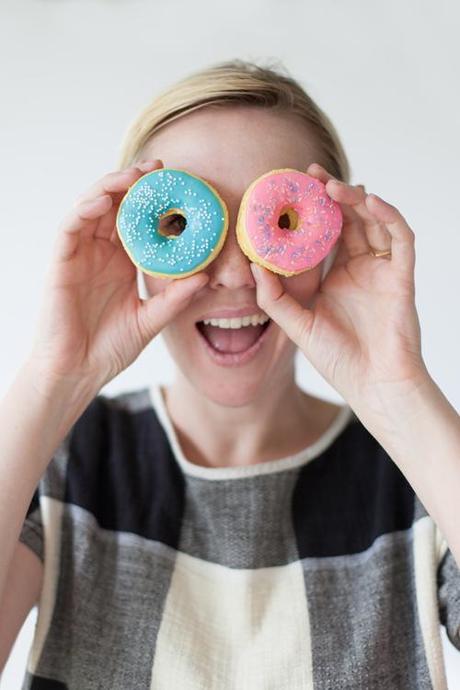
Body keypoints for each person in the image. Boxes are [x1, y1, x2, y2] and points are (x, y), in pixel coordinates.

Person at [0, 59, 459, 690]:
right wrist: (52, 381)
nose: (238, 276)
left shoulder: (421, 480)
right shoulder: (62, 461)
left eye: (270, 229)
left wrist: (400, 395)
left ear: (331, 244)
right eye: (190, 227)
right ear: (136, 246)